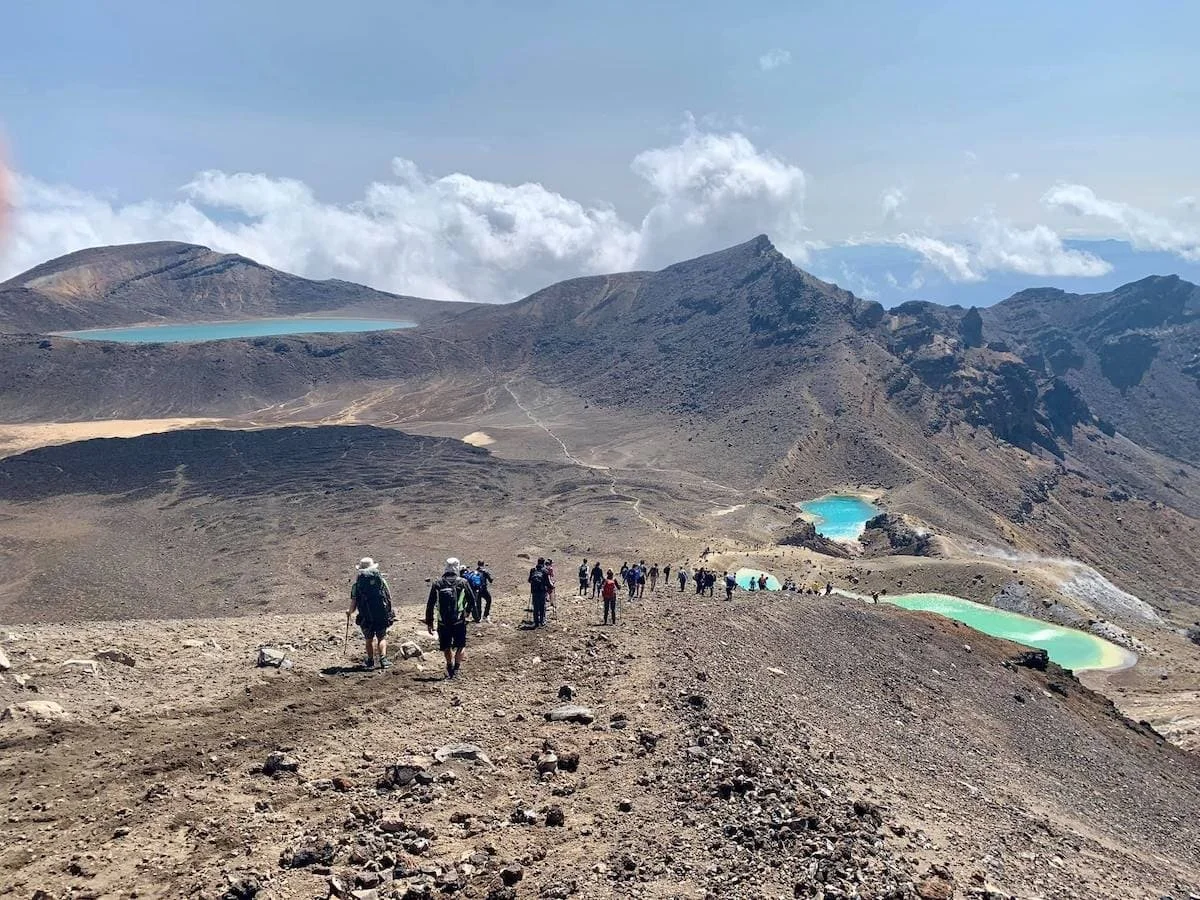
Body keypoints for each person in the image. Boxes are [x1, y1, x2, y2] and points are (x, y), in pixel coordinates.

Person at [426, 557, 472, 679]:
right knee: (461, 645)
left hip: (443, 622)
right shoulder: (463, 582)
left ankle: (449, 666)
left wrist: (429, 623)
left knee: (446, 646)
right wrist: (467, 612)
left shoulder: (437, 583)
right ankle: (456, 669)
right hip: (459, 620)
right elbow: (472, 600)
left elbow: (430, 604)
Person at [348, 557, 395, 669]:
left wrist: (349, 612)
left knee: (368, 640)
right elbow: (388, 597)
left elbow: (354, 603)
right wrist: (388, 611)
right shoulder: (381, 581)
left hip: (365, 617)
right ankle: (383, 660)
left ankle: (370, 660)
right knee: (381, 637)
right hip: (380, 615)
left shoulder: (357, 585)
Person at [529, 557, 551, 628]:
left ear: (537, 562)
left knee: (535, 607)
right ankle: (542, 621)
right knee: (542, 606)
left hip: (534, 592)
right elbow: (548, 582)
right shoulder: (545, 571)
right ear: (543, 563)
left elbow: (529, 580)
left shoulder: (533, 570)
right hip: (542, 591)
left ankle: (536, 622)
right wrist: (551, 586)